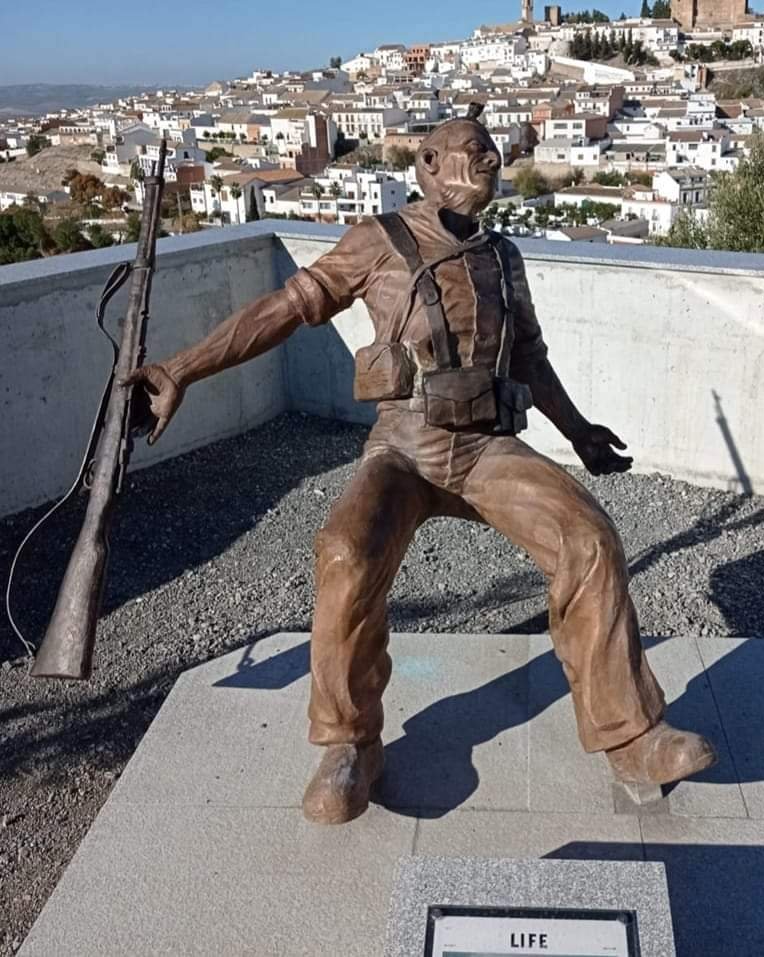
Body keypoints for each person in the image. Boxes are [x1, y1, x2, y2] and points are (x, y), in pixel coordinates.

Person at [123, 108, 715, 824]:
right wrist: (181, 370)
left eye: (492, 150)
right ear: (429, 167)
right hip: (404, 448)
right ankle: (349, 744)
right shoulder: (377, 241)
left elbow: (530, 358)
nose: (490, 161)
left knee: (589, 539)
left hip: (487, 450)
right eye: (473, 151)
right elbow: (284, 308)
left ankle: (632, 738)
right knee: (344, 550)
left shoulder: (503, 257)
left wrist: (581, 432)